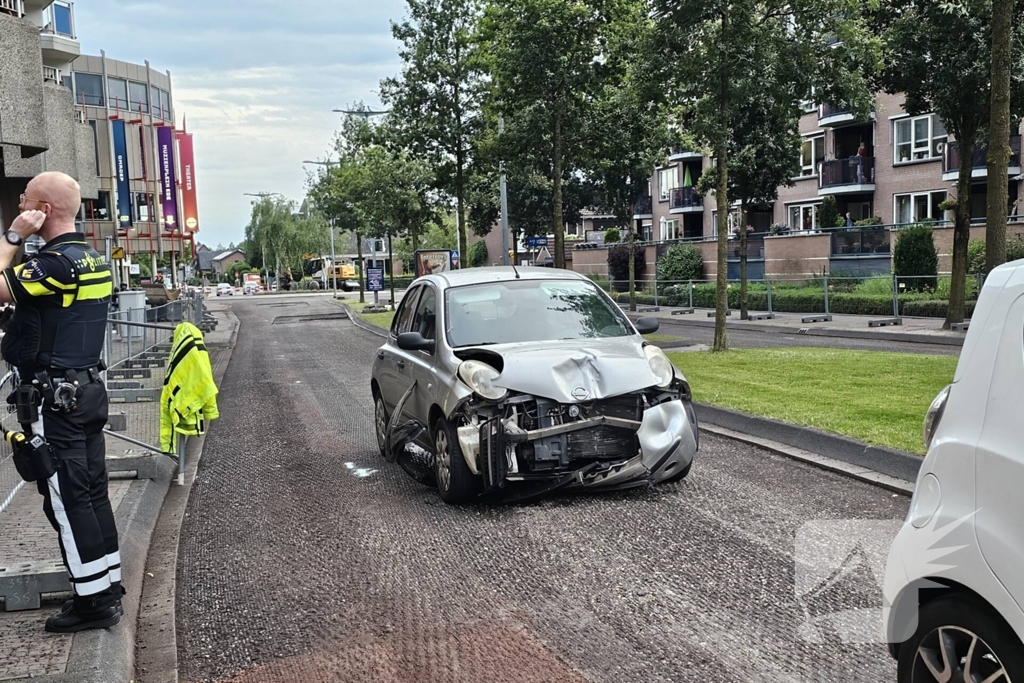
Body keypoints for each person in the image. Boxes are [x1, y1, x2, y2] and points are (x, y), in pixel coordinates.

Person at [0, 172, 120, 633]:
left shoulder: (53, 265)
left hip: (56, 401)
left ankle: (92, 603)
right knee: (91, 494)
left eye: (25, 199)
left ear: (43, 210)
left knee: (68, 500)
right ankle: (106, 586)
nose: (18, 202)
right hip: (86, 391)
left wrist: (14, 235)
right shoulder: (91, 259)